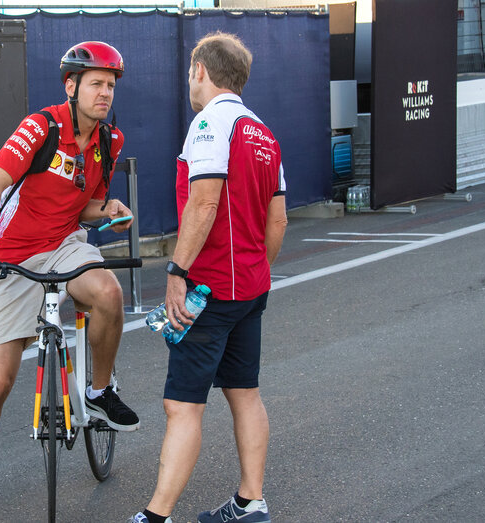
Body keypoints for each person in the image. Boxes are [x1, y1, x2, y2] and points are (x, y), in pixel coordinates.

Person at [0, 41, 140, 522]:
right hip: (11, 255)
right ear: (71, 86)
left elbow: (83, 205)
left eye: (110, 85)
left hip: (66, 243)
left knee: (108, 291)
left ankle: (98, 392)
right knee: (0, 380)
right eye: (95, 83)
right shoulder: (41, 126)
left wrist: (108, 209)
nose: (105, 93)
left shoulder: (110, 143)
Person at [128, 32, 288, 523]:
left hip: (208, 288)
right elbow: (277, 221)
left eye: (190, 71)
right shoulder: (264, 132)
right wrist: (255, 273)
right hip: (250, 288)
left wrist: (177, 270)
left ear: (200, 69)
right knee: (245, 394)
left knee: (182, 406)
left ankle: (157, 516)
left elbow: (204, 201)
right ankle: (250, 501)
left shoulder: (208, 123)